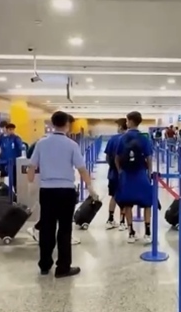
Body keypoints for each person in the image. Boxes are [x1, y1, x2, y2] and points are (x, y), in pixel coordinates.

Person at [27, 111, 95, 277]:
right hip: (66, 191)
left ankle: (44, 265)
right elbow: (82, 169)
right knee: (64, 229)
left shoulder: (41, 143)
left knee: (47, 228)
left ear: (52, 123)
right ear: (67, 124)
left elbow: (31, 166)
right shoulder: (72, 145)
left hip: (47, 191)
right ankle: (63, 268)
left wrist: (30, 185)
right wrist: (90, 188)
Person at [114, 111, 155, 244]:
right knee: (147, 202)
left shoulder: (122, 138)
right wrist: (149, 172)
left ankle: (131, 233)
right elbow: (149, 157)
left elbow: (117, 158)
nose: (126, 123)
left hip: (127, 174)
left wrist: (120, 171)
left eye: (127, 120)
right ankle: (147, 232)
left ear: (130, 121)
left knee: (127, 203)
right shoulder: (144, 138)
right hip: (141, 174)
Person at [104, 118, 128, 230]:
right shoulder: (129, 139)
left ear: (120, 127)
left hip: (113, 173)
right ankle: (122, 222)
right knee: (125, 198)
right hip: (126, 174)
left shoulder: (112, 139)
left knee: (113, 196)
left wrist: (113, 166)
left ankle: (110, 219)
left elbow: (107, 157)